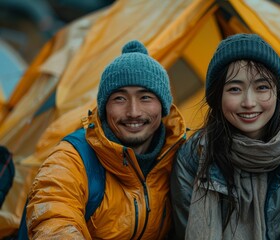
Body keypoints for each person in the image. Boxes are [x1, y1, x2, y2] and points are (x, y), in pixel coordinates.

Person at [170, 33, 280, 239]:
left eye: (262, 87)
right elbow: (186, 230)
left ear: (277, 93)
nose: (249, 102)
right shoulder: (193, 157)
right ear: (217, 96)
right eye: (235, 89)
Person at [25, 40, 186, 239]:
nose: (133, 112)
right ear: (104, 108)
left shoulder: (181, 157)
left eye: (145, 98)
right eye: (120, 98)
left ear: (163, 107)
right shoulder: (72, 158)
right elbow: (53, 216)